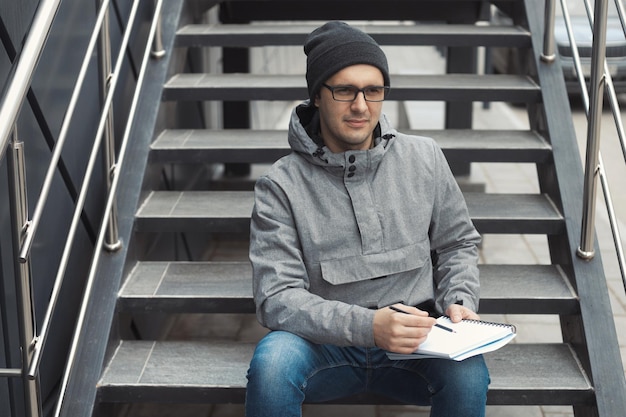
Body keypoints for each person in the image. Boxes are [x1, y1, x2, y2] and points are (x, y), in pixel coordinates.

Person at [246, 21, 490, 417]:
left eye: (373, 91)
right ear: (317, 96)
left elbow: (457, 243)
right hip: (321, 345)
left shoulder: (424, 157)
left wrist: (458, 300)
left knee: (468, 374)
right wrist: (369, 327)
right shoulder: (280, 184)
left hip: (420, 339)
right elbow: (276, 298)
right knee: (272, 365)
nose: (361, 106)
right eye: (344, 90)